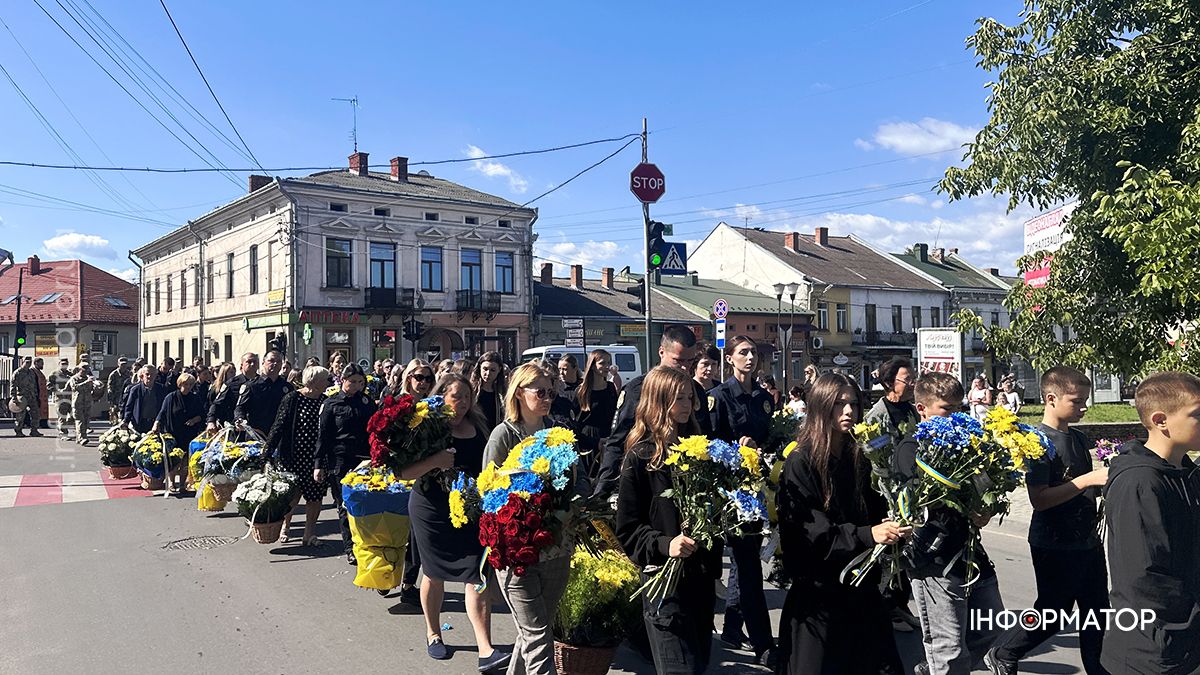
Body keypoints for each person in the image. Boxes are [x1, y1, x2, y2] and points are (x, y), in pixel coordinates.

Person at [776, 372, 908, 674]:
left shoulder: (860, 456)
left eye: (853, 404)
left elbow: (874, 510)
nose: (849, 411)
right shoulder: (801, 461)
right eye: (839, 404)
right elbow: (811, 534)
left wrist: (895, 525)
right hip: (820, 597)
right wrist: (868, 534)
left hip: (861, 591)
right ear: (822, 407)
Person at [986, 366, 1109, 675]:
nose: (1083, 408)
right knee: (1054, 611)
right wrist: (1087, 480)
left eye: (1085, 401)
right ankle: (1004, 651)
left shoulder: (1079, 438)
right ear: (1051, 398)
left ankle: (1098, 669)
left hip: (1087, 538)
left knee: (1097, 612)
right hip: (1055, 541)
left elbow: (1084, 484)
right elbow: (1039, 499)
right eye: (1077, 401)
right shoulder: (1037, 442)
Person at [897, 372, 1004, 675]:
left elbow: (980, 487)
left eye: (959, 408)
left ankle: (931, 669)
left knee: (993, 625)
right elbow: (919, 501)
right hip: (934, 558)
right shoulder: (910, 448)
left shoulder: (966, 445)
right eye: (947, 408)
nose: (956, 415)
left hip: (970, 553)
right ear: (922, 409)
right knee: (949, 649)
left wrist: (983, 509)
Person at [405, 374, 511, 672]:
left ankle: (485, 648)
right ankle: (433, 632)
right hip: (431, 508)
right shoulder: (424, 425)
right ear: (441, 397)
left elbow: (490, 464)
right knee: (433, 572)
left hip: (470, 510)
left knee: (475, 574)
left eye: (466, 396)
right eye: (456, 396)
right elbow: (403, 472)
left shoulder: (478, 425)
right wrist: (436, 461)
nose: (462, 403)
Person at [616, 366, 717, 674]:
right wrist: (664, 544)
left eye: (689, 398)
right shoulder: (642, 457)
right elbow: (627, 528)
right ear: (657, 402)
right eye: (677, 399)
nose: (686, 405)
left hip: (700, 584)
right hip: (664, 588)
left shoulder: (700, 450)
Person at [1100, 372, 1200, 675]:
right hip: (1152, 650)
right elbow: (1144, 576)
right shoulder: (1139, 481)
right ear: (1160, 420)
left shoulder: (1185, 471)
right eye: (1197, 414)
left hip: (1186, 643)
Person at [483, 362, 578, 675]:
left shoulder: (557, 434)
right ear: (519, 394)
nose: (547, 397)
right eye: (540, 391)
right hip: (518, 551)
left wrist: (574, 504)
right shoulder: (503, 436)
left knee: (536, 632)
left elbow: (580, 479)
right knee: (538, 638)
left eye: (550, 391)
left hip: (557, 548)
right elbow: (488, 493)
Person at [707, 335, 775, 664]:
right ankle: (763, 644)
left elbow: (772, 437)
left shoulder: (763, 397)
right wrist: (737, 452)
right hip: (728, 493)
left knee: (743, 563)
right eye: (743, 353)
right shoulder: (718, 397)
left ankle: (733, 626)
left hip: (757, 488)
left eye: (754, 353)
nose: (750, 358)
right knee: (746, 566)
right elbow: (709, 446)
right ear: (730, 359)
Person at [594, 325, 712, 500]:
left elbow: (705, 437)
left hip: (686, 479)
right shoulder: (637, 390)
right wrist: (602, 491)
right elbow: (617, 442)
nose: (686, 368)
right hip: (648, 476)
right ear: (661, 352)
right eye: (678, 361)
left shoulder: (695, 391)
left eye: (691, 361)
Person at [862, 356, 921, 634]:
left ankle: (900, 604)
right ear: (889, 383)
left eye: (913, 379)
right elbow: (876, 460)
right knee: (890, 553)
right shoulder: (877, 416)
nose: (912, 384)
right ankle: (888, 606)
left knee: (905, 551)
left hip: (909, 490)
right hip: (887, 493)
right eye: (906, 380)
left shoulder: (911, 411)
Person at [313, 364, 377, 564]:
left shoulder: (367, 402)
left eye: (360, 382)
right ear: (343, 381)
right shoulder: (332, 404)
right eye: (352, 382)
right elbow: (323, 436)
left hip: (364, 459)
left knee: (366, 502)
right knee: (344, 505)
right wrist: (318, 464)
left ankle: (366, 542)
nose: (357, 386)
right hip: (340, 459)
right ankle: (350, 547)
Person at [267, 365, 331, 547]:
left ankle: (309, 534)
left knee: (315, 497)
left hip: (316, 458)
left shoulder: (325, 401)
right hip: (293, 457)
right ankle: (285, 527)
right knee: (292, 497)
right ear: (315, 381)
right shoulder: (293, 398)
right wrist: (268, 451)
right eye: (325, 379)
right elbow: (278, 426)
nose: (328, 382)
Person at [234, 350, 293, 438]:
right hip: (256, 434)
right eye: (271, 361)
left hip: (280, 434)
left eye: (279, 361)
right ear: (263, 362)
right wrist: (240, 420)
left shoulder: (287, 387)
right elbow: (240, 407)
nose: (275, 364)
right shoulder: (251, 386)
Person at [576, 349, 619, 456]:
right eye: (602, 363)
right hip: (589, 439)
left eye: (608, 363)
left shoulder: (610, 387)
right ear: (593, 365)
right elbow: (577, 421)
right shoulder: (582, 391)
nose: (607, 366)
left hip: (608, 436)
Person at [207, 353, 258, 432]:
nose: (252, 364)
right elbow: (217, 404)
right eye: (249, 362)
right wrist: (211, 421)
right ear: (242, 365)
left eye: (255, 362)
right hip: (236, 428)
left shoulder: (261, 382)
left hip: (257, 428)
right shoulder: (231, 383)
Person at [66, 365, 104, 446]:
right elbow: (75, 387)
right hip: (78, 403)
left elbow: (93, 389)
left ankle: (81, 437)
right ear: (79, 370)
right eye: (83, 370)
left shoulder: (88, 378)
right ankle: (82, 438)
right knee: (80, 420)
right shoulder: (74, 378)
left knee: (86, 421)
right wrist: (86, 382)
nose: (85, 372)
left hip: (87, 403)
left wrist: (98, 386)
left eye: (87, 370)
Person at [122, 366, 165, 434]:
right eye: (147, 374)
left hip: (156, 424)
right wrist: (126, 421)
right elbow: (129, 407)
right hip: (139, 424)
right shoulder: (135, 390)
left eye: (152, 374)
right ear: (142, 376)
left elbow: (164, 407)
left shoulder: (162, 389)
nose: (150, 376)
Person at [470, 351, 506, 430]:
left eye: (493, 370)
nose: (488, 373)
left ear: (499, 369)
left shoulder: (502, 392)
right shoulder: (472, 390)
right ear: (480, 367)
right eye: (485, 369)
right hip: (475, 431)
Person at [11, 357, 41, 437]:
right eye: (27, 362)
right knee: (21, 416)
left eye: (30, 362)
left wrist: (36, 396)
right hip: (22, 397)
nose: (29, 364)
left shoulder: (31, 372)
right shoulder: (18, 372)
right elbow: (13, 386)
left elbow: (34, 385)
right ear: (23, 362)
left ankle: (34, 430)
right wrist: (14, 398)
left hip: (31, 397)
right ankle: (18, 431)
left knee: (36, 414)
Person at [48, 358, 74, 438]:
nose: (64, 365)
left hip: (71, 398)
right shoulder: (54, 374)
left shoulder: (70, 375)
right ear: (59, 364)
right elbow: (49, 386)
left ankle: (61, 427)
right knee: (62, 416)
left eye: (66, 364)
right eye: (62, 364)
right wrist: (57, 390)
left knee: (74, 416)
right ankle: (63, 433)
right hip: (60, 399)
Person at [106, 357, 131, 425]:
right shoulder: (113, 374)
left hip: (125, 397)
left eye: (125, 364)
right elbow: (109, 387)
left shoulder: (129, 374)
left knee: (124, 414)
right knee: (114, 416)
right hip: (116, 397)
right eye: (122, 364)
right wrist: (111, 399)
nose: (123, 366)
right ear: (118, 364)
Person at [32, 357, 48, 430]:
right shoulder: (33, 372)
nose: (43, 365)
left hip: (43, 395)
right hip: (37, 395)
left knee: (43, 409)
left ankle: (44, 422)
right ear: (36, 363)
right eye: (41, 363)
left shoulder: (40, 372)